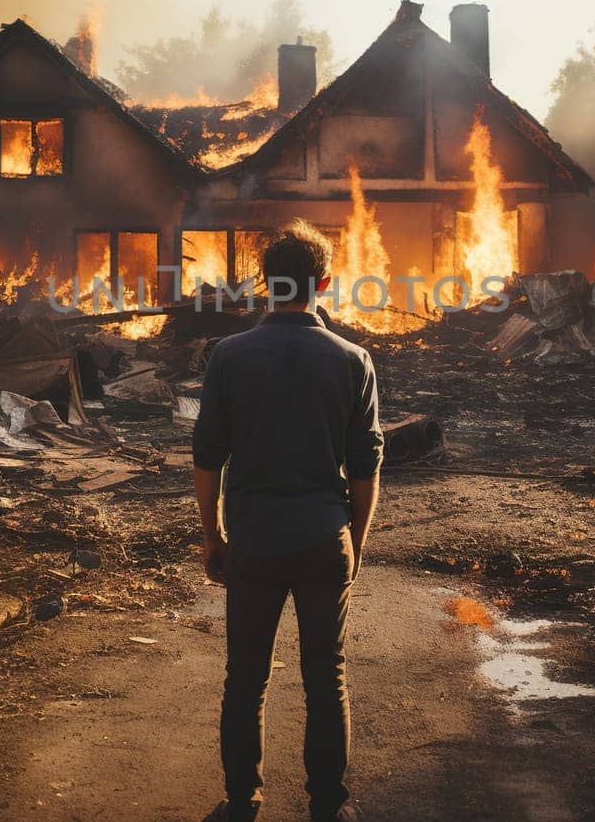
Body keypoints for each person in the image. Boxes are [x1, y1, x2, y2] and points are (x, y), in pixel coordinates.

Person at [192, 220, 383, 822]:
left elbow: (207, 456)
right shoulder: (354, 360)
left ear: (264, 283)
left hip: (254, 540)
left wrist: (212, 534)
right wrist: (355, 540)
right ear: (324, 281)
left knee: (245, 677)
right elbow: (365, 466)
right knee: (327, 677)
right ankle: (328, 806)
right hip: (325, 538)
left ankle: (242, 798)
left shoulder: (228, 356)